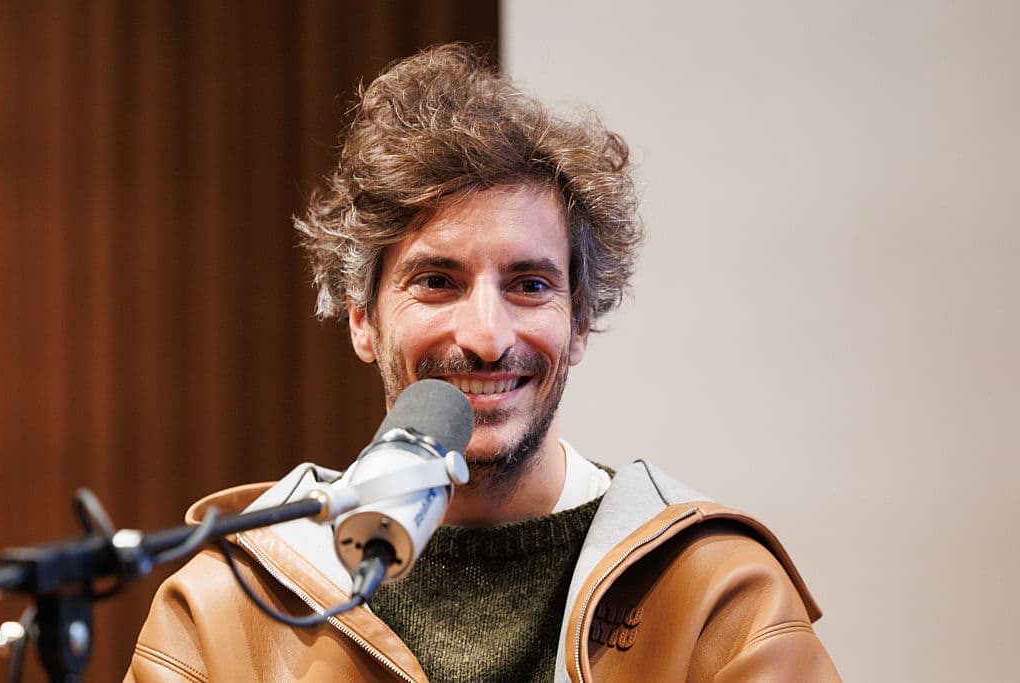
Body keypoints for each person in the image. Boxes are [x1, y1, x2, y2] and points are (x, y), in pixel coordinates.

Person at [127, 44, 839, 682]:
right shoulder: (227, 606)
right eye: (438, 281)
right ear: (361, 319)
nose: (488, 337)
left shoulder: (716, 593)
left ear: (580, 321)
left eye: (529, 285)